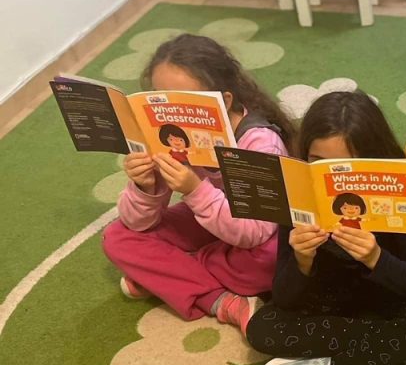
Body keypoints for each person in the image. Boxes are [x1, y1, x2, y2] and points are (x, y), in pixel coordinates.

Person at [248, 91, 406, 365]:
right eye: (317, 163)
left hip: (388, 297)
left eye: (348, 166)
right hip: (329, 303)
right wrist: (302, 260)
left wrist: (376, 257)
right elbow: (283, 297)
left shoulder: (394, 195)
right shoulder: (298, 196)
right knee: (261, 329)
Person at [102, 34, 293, 332]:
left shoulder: (260, 143)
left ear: (224, 101)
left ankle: (172, 273)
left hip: (253, 232)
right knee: (117, 236)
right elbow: (138, 223)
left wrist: (194, 190)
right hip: (211, 219)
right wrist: (144, 187)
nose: (173, 116)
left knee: (274, 257)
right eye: (162, 101)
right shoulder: (168, 137)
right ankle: (223, 300)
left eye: (185, 102)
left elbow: (255, 233)